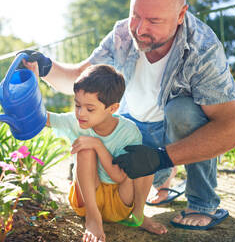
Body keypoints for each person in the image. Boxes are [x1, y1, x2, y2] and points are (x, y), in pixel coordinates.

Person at [20, 0, 235, 231]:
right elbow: (83, 79)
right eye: (135, 15)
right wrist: (44, 67)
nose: (139, 28)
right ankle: (164, 176)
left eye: (154, 21)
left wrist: (161, 157)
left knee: (183, 111)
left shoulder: (202, 48)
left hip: (168, 142)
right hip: (132, 134)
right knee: (99, 136)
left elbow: (234, 126)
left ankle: (202, 203)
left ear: (180, 15)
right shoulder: (122, 35)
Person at [46, 64, 167, 242]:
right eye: (77, 105)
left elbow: (119, 177)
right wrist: (32, 77)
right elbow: (43, 118)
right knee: (85, 151)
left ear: (112, 108)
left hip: (120, 202)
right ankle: (93, 219)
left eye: (90, 108)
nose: (80, 113)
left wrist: (98, 145)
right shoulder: (75, 121)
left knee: (144, 158)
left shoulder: (128, 132)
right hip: (88, 201)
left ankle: (138, 216)